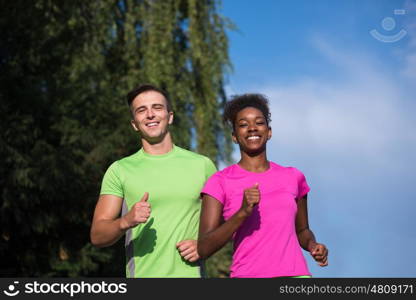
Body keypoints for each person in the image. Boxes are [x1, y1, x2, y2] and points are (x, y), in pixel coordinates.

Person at [90, 84, 216, 278]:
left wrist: (204, 243)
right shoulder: (120, 170)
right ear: (134, 124)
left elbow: (224, 221)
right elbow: (97, 235)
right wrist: (125, 221)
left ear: (170, 116)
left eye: (157, 107)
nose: (150, 114)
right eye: (141, 110)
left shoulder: (202, 166)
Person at [198, 93, 328, 278]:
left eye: (259, 122)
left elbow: (302, 230)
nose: (252, 128)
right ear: (234, 136)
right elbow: (203, 248)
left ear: (269, 132)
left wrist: (312, 245)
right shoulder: (219, 182)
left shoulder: (293, 177)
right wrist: (242, 213)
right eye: (243, 125)